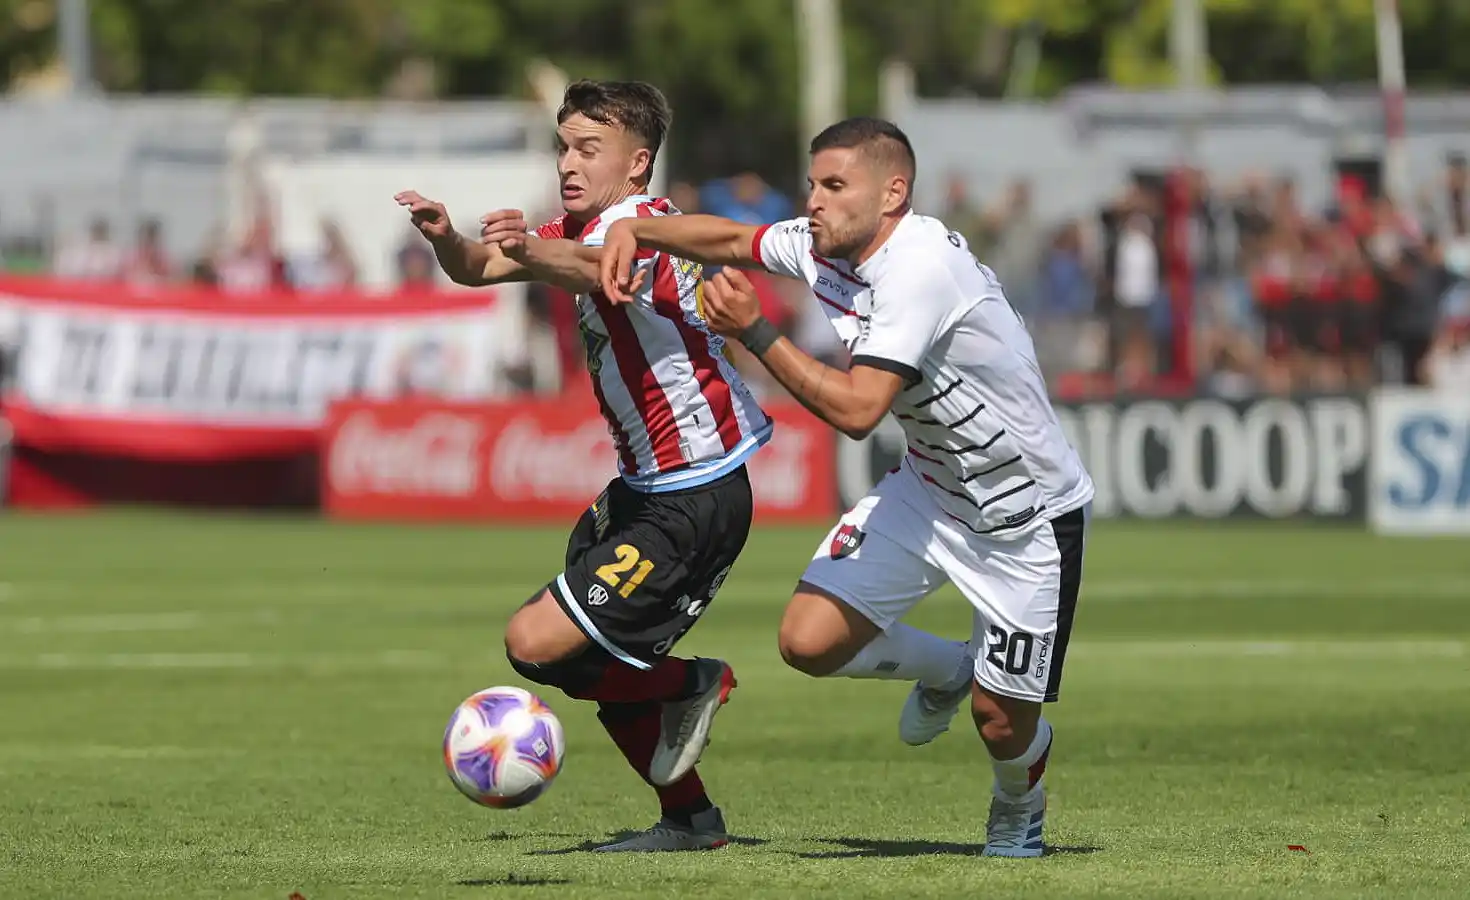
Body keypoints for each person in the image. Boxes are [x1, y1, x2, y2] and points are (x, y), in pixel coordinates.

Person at [599, 117, 1095, 858]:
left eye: (835, 186)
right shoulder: (827, 242)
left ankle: (1018, 803)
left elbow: (860, 412)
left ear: (893, 193)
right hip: (931, 490)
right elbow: (733, 241)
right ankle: (950, 667)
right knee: (807, 641)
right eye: (812, 183)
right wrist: (639, 233)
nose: (815, 200)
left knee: (1000, 722)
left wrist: (755, 334)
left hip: (1023, 518)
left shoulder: (919, 268)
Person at [395, 80, 773, 853]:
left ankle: (692, 683)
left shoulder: (649, 227)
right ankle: (690, 820)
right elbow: (477, 266)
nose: (567, 161)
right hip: (643, 492)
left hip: (696, 493)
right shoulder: (578, 226)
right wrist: (444, 236)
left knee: (536, 642)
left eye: (586, 149)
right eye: (562, 145)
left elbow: (604, 270)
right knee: (582, 664)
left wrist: (538, 251)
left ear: (637, 165)